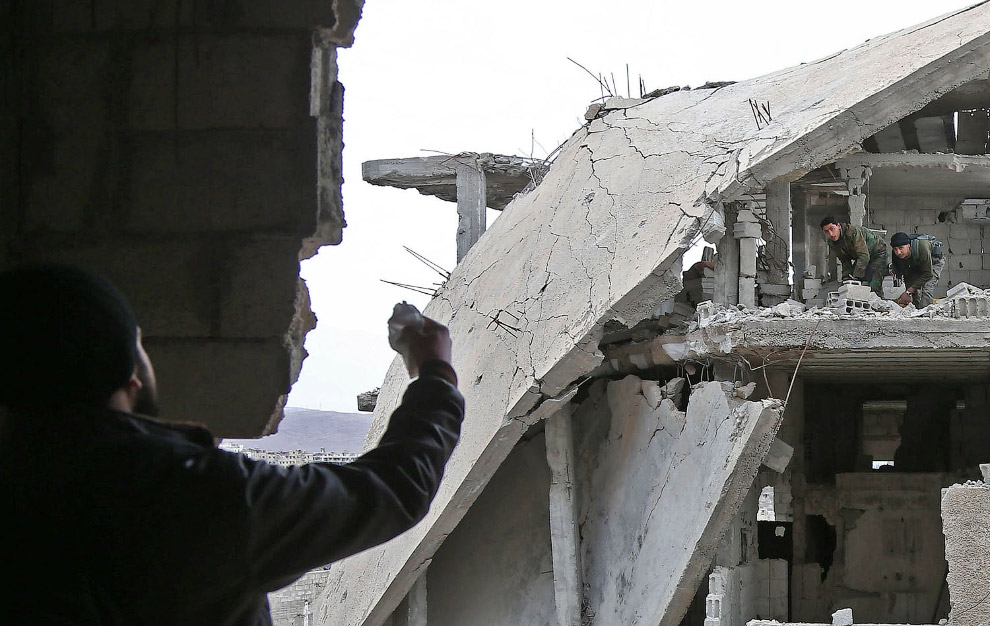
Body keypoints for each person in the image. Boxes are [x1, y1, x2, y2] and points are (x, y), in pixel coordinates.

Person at [0, 263, 465, 625]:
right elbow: (392, 488)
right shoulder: (189, 494)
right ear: (130, 370)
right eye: (139, 342)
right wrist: (435, 373)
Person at [820, 216, 889, 296]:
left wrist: (855, 276)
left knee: (874, 284)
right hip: (861, 255)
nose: (831, 234)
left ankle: (880, 304)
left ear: (838, 226)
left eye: (832, 229)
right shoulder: (832, 243)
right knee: (851, 284)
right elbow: (844, 260)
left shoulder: (852, 232)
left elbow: (864, 256)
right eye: (826, 231)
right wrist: (846, 278)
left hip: (878, 252)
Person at [890, 231, 946, 308]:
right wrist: (909, 293)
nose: (898, 252)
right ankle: (915, 310)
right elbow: (907, 275)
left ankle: (925, 314)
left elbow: (928, 274)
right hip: (916, 263)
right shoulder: (896, 254)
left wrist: (908, 292)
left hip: (933, 262)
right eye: (895, 249)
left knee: (927, 287)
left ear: (908, 245)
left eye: (901, 248)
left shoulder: (922, 247)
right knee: (914, 288)